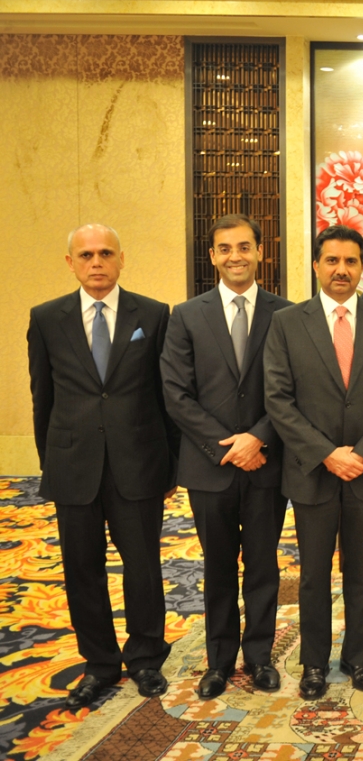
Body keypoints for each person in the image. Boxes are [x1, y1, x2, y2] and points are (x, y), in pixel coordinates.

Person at [28, 224, 179, 708]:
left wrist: (170, 467)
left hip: (138, 463)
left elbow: (165, 397)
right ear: (70, 262)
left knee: (143, 567)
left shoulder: (153, 315)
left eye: (106, 253)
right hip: (74, 466)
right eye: (86, 254)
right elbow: (42, 399)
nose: (97, 262)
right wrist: (51, 464)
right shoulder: (47, 318)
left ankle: (145, 657)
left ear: (121, 259)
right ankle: (99, 662)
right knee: (80, 569)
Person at [264, 225, 363, 699]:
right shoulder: (288, 323)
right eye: (332, 260)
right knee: (312, 576)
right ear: (316, 265)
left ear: (362, 266)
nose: (341, 270)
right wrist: (327, 453)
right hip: (313, 472)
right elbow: (278, 400)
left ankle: (357, 659)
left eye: (350, 261)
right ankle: (312, 664)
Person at [160, 214, 291, 699]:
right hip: (210, 466)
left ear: (261, 252)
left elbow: (295, 391)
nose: (235, 255)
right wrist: (230, 446)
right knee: (217, 566)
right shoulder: (186, 315)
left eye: (244, 246)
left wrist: (257, 438)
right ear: (212, 256)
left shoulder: (287, 313)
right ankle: (218, 661)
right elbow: (176, 394)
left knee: (262, 565)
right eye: (224, 248)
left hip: (267, 463)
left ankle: (259, 658)